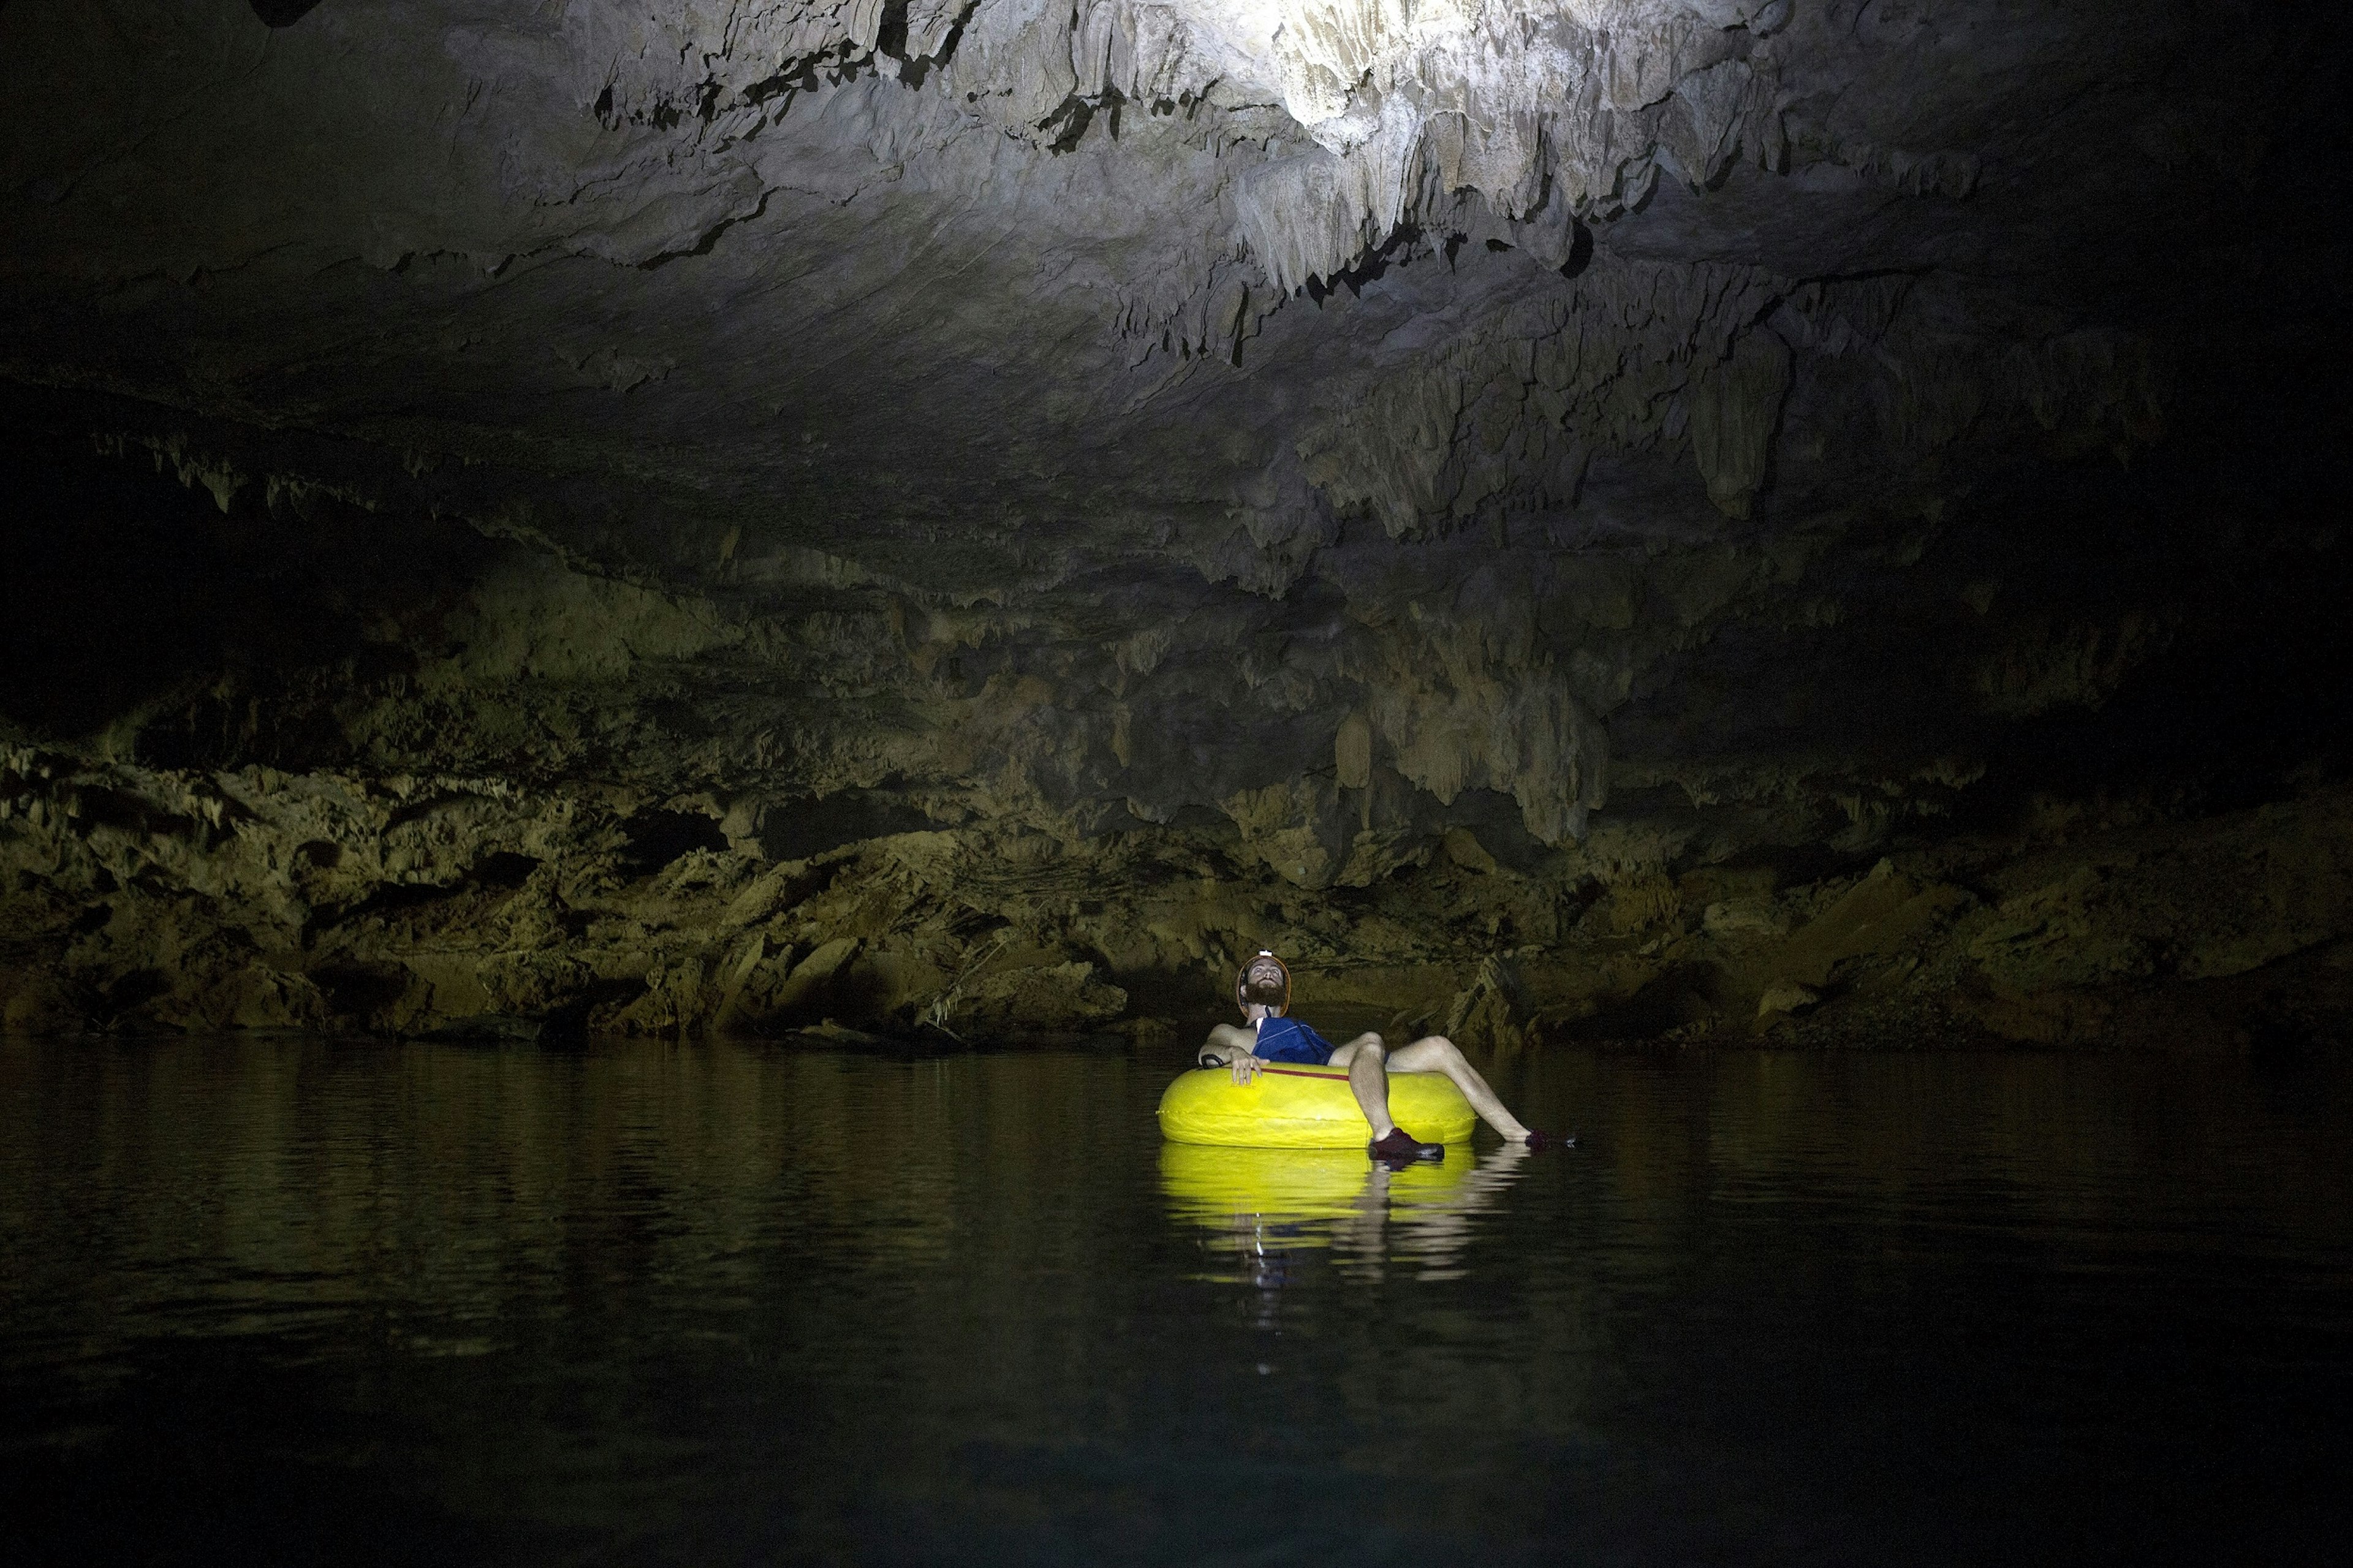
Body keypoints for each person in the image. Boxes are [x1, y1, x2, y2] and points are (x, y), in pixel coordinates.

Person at [1196, 950, 1571, 1162]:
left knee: (1439, 1046)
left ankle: (1519, 1135)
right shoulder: (1237, 1033)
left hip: (1331, 1063)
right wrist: (1231, 1054)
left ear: (1284, 989)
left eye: (1275, 972)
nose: (1269, 974)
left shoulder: (1297, 1024)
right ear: (1245, 991)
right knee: (1372, 1039)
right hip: (1304, 1077)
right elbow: (1207, 1052)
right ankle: (1385, 1136)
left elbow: (1331, 1055)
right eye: (1260, 971)